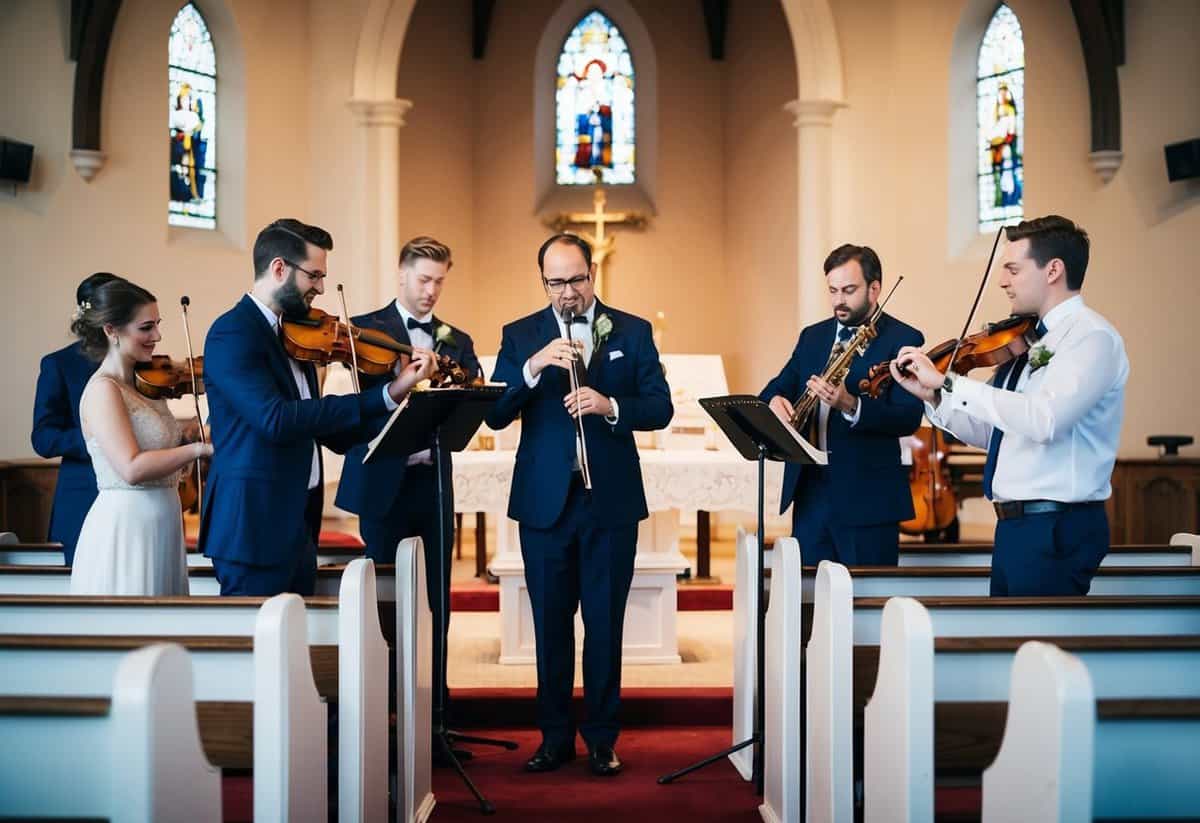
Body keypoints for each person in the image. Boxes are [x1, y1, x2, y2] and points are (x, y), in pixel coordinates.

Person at [486, 233, 673, 777]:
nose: (567, 293)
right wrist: (531, 367)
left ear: (593, 275)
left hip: (609, 503)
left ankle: (602, 738)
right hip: (546, 504)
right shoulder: (520, 335)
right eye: (555, 282)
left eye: (576, 280)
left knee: (605, 623)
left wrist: (609, 404)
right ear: (541, 280)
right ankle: (553, 737)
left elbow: (659, 407)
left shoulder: (632, 331)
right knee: (549, 623)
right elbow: (495, 412)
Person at [889, 215, 1128, 595]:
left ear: (1053, 270)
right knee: (1012, 648)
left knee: (1039, 648)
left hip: (1055, 526)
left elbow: (1044, 420)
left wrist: (951, 381)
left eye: (1013, 269)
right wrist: (935, 397)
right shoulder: (1025, 339)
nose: (1002, 280)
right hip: (1017, 527)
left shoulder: (1090, 337)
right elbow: (995, 432)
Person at [199, 218, 435, 596]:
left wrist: (398, 397)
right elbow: (275, 419)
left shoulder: (297, 333)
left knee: (294, 646)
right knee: (257, 647)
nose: (321, 288)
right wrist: (380, 395)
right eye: (314, 276)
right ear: (279, 268)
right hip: (254, 525)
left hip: (297, 521)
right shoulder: (233, 332)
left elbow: (321, 426)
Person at [335, 235, 480, 752]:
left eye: (440, 281)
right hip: (382, 483)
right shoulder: (364, 333)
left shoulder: (455, 340)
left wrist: (452, 385)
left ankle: (436, 722)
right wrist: (396, 384)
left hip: (432, 484)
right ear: (401, 275)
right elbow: (349, 409)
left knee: (438, 603)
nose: (431, 291)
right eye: (423, 279)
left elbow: (472, 396)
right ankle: (382, 723)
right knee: (384, 604)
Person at [761, 244, 924, 566]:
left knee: (865, 602)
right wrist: (775, 401)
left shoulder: (903, 338)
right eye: (832, 290)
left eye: (849, 290)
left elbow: (908, 417)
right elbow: (776, 387)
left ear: (874, 288)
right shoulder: (813, 336)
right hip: (810, 493)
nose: (838, 300)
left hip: (868, 498)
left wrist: (850, 404)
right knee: (808, 599)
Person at [68, 278, 212, 595]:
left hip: (163, 524)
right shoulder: (103, 389)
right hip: (128, 527)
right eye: (146, 328)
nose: (157, 336)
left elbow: (162, 450)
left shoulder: (145, 383)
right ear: (111, 330)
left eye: (157, 325)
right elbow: (131, 467)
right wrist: (198, 450)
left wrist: (194, 434)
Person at [31, 272, 120, 565]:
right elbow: (44, 438)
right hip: (83, 494)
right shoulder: (59, 364)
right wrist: (101, 439)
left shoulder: (139, 364)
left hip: (137, 500)